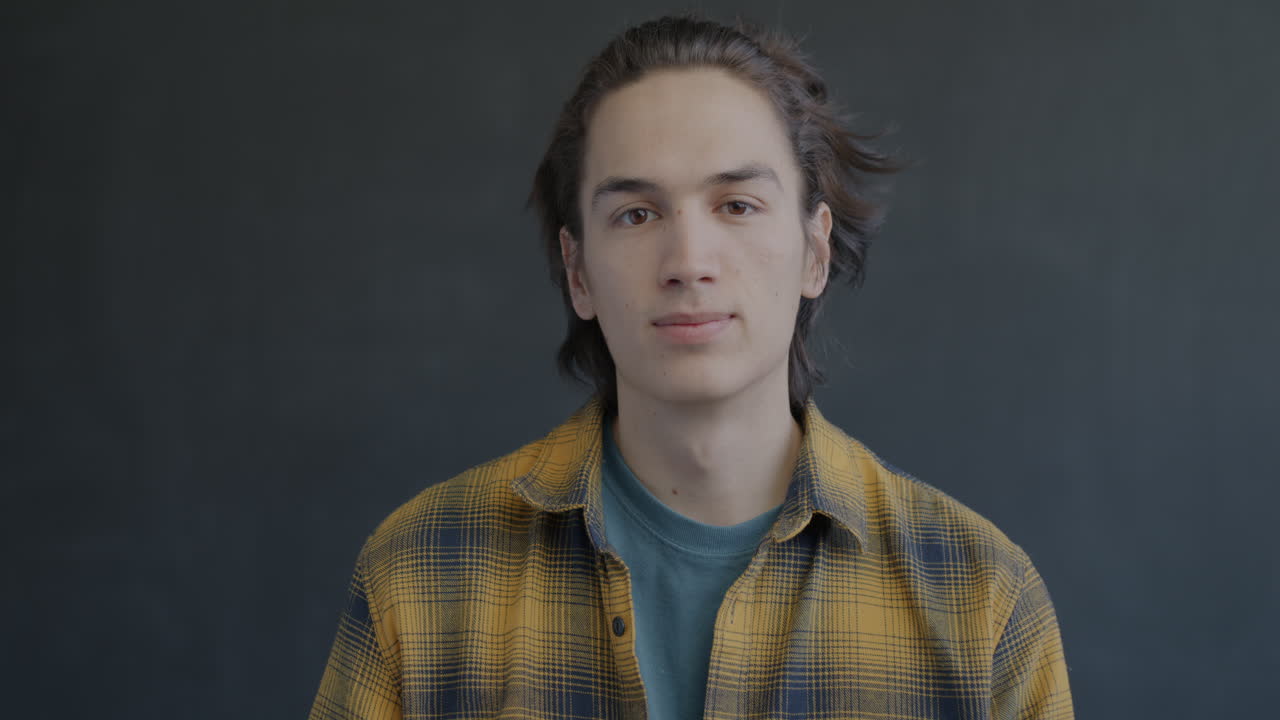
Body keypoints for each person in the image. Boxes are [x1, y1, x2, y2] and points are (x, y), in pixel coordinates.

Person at [309, 12, 1073, 720]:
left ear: (814, 250)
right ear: (578, 272)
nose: (688, 260)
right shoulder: (421, 572)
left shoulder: (981, 597)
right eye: (636, 214)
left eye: (737, 204)